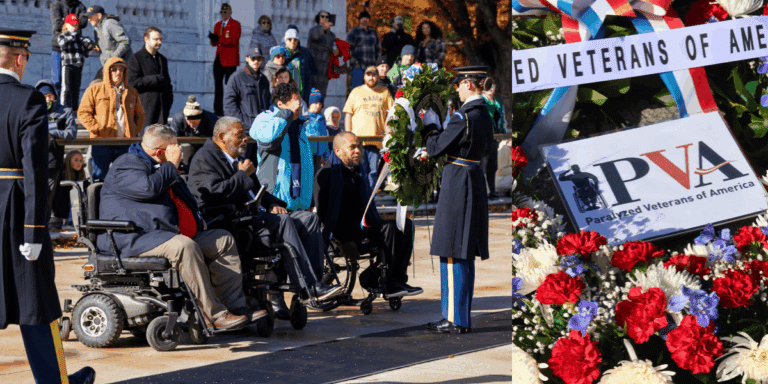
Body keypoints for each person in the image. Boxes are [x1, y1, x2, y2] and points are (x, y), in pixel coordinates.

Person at [0, 27, 96, 384]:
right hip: (16, 213)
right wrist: (34, 230)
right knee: (37, 304)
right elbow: (35, 170)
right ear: (20, 59)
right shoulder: (28, 100)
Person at [99, 124, 266, 329]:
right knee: (184, 246)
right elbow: (148, 188)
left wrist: (197, 220)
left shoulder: (162, 166)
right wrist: (172, 164)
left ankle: (233, 307)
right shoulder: (127, 163)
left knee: (223, 240)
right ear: (161, 151)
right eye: (174, 148)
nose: (179, 152)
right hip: (134, 237)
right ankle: (213, 314)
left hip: (162, 233)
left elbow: (184, 199)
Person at [187, 117, 343, 317]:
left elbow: (258, 189)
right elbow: (212, 194)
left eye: (245, 135)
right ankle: (307, 288)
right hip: (231, 223)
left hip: (254, 218)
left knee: (308, 219)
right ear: (221, 137)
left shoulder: (238, 160)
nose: (245, 139)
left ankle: (317, 283)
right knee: (284, 222)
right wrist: (242, 176)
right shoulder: (205, 158)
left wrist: (274, 203)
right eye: (239, 135)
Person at [421, 67, 494, 334]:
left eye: (459, 85)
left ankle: (454, 317)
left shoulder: (463, 115)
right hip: (473, 177)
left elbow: (434, 148)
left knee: (452, 249)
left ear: (467, 84)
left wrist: (430, 124)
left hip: (458, 181)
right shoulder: (484, 112)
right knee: (462, 252)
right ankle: (459, 316)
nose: (456, 90)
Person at [315, 131, 422, 298]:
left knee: (405, 225)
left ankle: (396, 279)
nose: (357, 151)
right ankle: (387, 282)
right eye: (352, 147)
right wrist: (343, 239)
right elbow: (324, 214)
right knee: (388, 230)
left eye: (358, 147)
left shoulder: (359, 171)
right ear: (338, 151)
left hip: (363, 225)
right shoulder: (327, 174)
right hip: (342, 232)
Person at [251, 82, 318, 211]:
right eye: (293, 104)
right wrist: (286, 114)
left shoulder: (299, 125)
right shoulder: (265, 118)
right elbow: (267, 138)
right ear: (280, 104)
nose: (298, 107)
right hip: (275, 202)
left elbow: (306, 165)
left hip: (300, 204)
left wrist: (309, 200)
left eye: (299, 102)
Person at [78, 57, 145, 181]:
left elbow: (140, 115)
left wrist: (133, 132)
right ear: (107, 71)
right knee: (99, 177)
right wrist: (98, 128)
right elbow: (83, 113)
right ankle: (97, 200)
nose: (118, 72)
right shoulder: (94, 90)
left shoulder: (132, 92)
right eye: (114, 69)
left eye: (121, 69)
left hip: (125, 143)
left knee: (125, 178)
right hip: (102, 142)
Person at [35, 79, 77, 229]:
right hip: (34, 160)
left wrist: (50, 133)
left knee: (46, 197)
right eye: (44, 96)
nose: (47, 99)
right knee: (35, 196)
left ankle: (42, 230)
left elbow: (71, 134)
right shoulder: (33, 110)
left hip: (53, 161)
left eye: (50, 96)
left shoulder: (64, 111)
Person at [343, 66, 394, 189]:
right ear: (364, 76)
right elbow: (348, 115)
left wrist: (391, 132)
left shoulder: (385, 92)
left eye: (374, 75)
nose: (371, 77)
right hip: (358, 140)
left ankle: (370, 196)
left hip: (377, 140)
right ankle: (360, 196)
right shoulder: (356, 92)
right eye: (368, 75)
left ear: (377, 76)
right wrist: (348, 135)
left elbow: (393, 114)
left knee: (373, 171)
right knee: (359, 169)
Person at [127, 27, 173, 126]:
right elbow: (132, 82)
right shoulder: (136, 58)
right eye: (156, 39)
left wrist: (168, 103)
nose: (159, 42)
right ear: (146, 39)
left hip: (162, 112)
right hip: (145, 112)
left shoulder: (162, 59)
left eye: (160, 39)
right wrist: (154, 79)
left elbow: (168, 84)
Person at [224, 47, 271, 130]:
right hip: (245, 130)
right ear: (247, 59)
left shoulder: (264, 79)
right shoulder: (237, 77)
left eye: (259, 59)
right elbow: (229, 103)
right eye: (253, 58)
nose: (256, 61)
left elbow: (268, 102)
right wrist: (241, 122)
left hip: (263, 128)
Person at [57, 13, 94, 111]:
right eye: (72, 24)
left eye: (76, 25)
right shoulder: (63, 36)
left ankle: (75, 109)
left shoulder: (80, 38)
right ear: (66, 25)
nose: (74, 27)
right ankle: (63, 109)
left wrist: (89, 46)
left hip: (78, 66)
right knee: (66, 89)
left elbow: (86, 53)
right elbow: (62, 44)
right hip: (68, 65)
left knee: (76, 90)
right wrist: (72, 37)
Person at [170, 95, 219, 169]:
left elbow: (217, 142)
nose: (191, 123)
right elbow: (173, 142)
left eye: (195, 121)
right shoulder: (178, 118)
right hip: (187, 146)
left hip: (206, 145)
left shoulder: (211, 120)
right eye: (189, 120)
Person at [209, 3, 241, 116]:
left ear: (230, 12)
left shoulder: (236, 24)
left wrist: (219, 39)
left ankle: (230, 109)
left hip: (230, 59)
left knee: (230, 86)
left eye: (226, 12)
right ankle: (218, 110)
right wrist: (213, 38)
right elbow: (214, 44)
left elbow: (234, 40)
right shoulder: (217, 25)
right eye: (222, 12)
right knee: (218, 86)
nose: (223, 14)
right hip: (219, 58)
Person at [50, 0, 88, 93]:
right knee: (57, 81)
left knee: (72, 83)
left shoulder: (80, 6)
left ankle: (70, 107)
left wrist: (66, 20)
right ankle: (57, 106)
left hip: (75, 50)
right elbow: (57, 24)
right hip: (59, 48)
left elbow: (84, 22)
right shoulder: (56, 4)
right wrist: (74, 21)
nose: (73, 25)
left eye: (74, 24)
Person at [482, 78, 507, 199]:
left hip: (495, 138)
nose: (491, 89)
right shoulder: (481, 101)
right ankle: (483, 191)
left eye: (493, 86)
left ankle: (492, 191)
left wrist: (504, 133)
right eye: (489, 86)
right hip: (483, 138)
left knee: (493, 166)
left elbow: (503, 119)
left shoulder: (498, 102)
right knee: (483, 166)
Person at [282, 26, 317, 104]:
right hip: (285, 96)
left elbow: (308, 76)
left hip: (300, 95)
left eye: (295, 40)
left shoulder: (303, 55)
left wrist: (307, 95)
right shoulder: (280, 54)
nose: (292, 42)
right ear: (285, 40)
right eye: (290, 39)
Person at [346, 11, 380, 89]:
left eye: (367, 18)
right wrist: (356, 64)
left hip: (371, 67)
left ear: (369, 20)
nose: (365, 20)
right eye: (363, 18)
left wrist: (376, 64)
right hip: (358, 68)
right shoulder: (353, 33)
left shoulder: (373, 33)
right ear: (359, 20)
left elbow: (378, 50)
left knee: (371, 91)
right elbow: (348, 50)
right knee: (357, 91)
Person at [52, 150, 86, 227]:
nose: (79, 163)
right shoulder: (62, 174)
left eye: (81, 160)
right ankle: (70, 222)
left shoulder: (80, 173)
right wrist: (65, 215)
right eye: (76, 160)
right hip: (61, 209)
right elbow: (58, 198)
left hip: (71, 206)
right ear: (69, 161)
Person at [307, 10, 336, 97]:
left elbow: (333, 48)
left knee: (321, 96)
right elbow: (315, 35)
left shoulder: (332, 35)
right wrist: (323, 28)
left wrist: (336, 51)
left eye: (327, 17)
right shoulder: (313, 29)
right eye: (322, 16)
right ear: (318, 19)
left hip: (324, 71)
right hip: (313, 69)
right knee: (311, 95)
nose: (325, 18)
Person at [306, 88, 330, 172]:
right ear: (310, 103)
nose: (318, 106)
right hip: (307, 153)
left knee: (317, 176)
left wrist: (327, 155)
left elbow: (325, 137)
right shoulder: (305, 118)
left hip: (319, 154)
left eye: (320, 104)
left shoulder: (322, 119)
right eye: (315, 103)